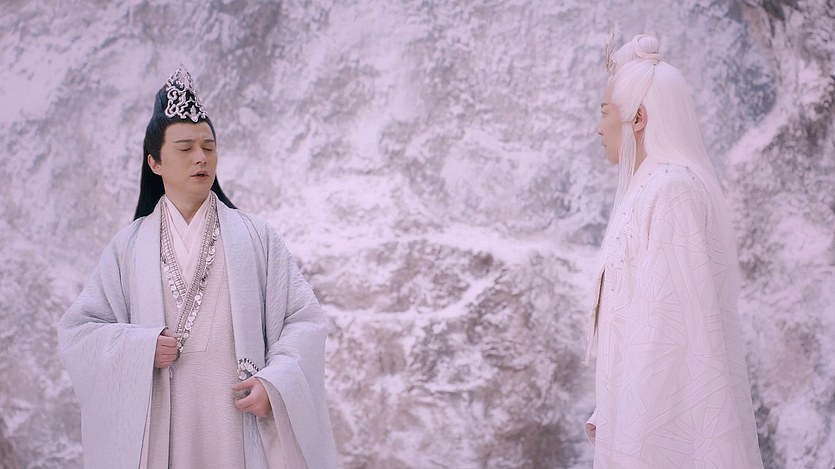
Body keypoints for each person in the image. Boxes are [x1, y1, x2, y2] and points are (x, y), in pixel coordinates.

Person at [57, 67, 338, 469]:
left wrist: (274, 384)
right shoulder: (127, 248)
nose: (201, 157)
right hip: (165, 437)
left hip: (238, 429)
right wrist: (139, 348)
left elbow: (304, 320)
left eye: (208, 146)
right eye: (185, 148)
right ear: (155, 162)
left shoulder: (257, 238)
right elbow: (79, 332)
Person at [583, 34, 764, 468]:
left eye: (605, 112)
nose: (599, 128)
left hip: (662, 437)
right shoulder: (650, 190)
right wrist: (611, 412)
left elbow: (669, 337)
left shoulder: (671, 192)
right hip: (640, 421)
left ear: (638, 117)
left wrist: (631, 438)